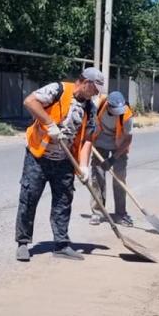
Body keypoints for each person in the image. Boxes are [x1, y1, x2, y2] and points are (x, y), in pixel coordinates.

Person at [15, 67, 104, 262]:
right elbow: (30, 101)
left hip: (64, 160)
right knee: (29, 198)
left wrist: (84, 166)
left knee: (63, 201)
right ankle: (22, 243)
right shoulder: (58, 90)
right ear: (86, 82)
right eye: (94, 89)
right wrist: (49, 123)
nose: (95, 94)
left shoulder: (90, 108)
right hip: (38, 156)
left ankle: (61, 244)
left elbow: (87, 139)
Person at [88, 91, 135, 227]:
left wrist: (113, 159)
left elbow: (128, 139)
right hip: (99, 144)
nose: (118, 113)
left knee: (119, 179)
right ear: (108, 105)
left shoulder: (127, 114)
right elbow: (87, 122)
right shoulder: (98, 104)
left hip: (119, 146)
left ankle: (120, 214)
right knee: (97, 178)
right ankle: (97, 212)